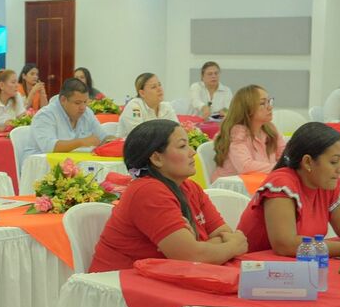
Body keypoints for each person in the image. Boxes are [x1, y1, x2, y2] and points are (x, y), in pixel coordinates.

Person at [90, 120, 247, 272]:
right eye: (182, 146)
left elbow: (223, 235)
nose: (192, 152)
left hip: (162, 275)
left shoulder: (190, 187)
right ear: (157, 158)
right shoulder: (147, 191)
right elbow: (192, 257)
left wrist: (198, 247)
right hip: (119, 280)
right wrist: (233, 247)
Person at [237, 122, 340, 256]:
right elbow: (285, 245)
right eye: (334, 162)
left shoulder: (328, 183)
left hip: (297, 264)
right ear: (307, 162)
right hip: (256, 265)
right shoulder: (282, 184)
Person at [210, 85, 286, 182]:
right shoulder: (237, 132)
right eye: (262, 103)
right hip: (232, 188)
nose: (270, 107)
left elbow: (285, 156)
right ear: (247, 109)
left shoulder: (270, 129)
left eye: (269, 101)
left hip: (260, 182)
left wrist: (287, 166)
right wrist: (280, 168)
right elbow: (245, 166)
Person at [24, 78, 115, 155]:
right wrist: (81, 142)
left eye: (85, 102)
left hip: (73, 164)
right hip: (41, 165)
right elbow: (49, 148)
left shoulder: (87, 112)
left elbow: (103, 138)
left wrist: (114, 142)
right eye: (77, 103)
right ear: (63, 100)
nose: (83, 107)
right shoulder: (46, 115)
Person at [117, 73, 178, 138]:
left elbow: (177, 130)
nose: (159, 89)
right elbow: (138, 135)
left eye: (159, 85)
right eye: (153, 87)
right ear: (142, 93)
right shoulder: (134, 107)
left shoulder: (166, 107)